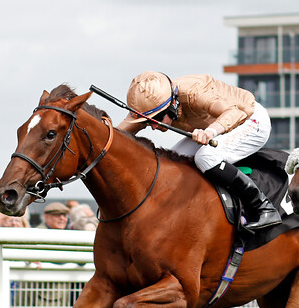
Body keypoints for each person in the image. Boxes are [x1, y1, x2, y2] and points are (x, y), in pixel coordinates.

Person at [116, 71, 281, 231]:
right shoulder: (152, 104)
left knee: (206, 157)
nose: (153, 127)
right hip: (214, 127)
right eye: (146, 122)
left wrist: (209, 132)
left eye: (158, 119)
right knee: (168, 165)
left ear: (172, 104)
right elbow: (116, 136)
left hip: (249, 120)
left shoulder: (195, 92)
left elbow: (234, 113)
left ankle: (263, 207)